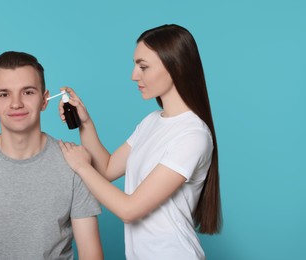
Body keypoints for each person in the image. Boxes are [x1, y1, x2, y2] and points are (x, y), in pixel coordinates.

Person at [58, 24, 222, 260]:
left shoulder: (193, 136)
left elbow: (129, 210)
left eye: (143, 66)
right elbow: (106, 168)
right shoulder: (152, 121)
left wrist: (81, 166)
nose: (134, 75)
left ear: (174, 66)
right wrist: (85, 123)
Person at [0, 51, 103, 260]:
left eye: (28, 92)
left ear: (44, 100)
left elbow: (91, 254)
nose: (16, 104)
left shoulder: (76, 162)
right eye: (4, 94)